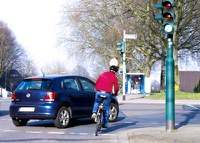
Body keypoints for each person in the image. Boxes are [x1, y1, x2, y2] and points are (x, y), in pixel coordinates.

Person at [91, 58, 119, 128]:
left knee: (97, 102)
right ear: (115, 71)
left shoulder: (103, 74)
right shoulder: (114, 77)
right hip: (107, 93)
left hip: (99, 92)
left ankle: (94, 112)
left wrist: (96, 89)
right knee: (106, 108)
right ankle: (105, 124)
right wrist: (115, 93)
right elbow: (116, 88)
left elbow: (97, 82)